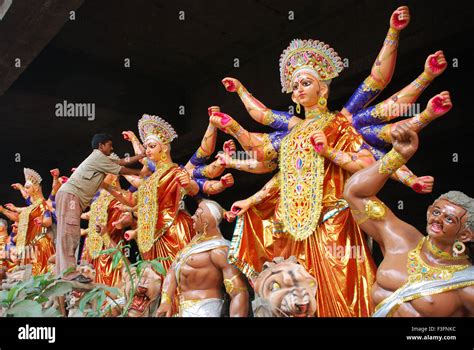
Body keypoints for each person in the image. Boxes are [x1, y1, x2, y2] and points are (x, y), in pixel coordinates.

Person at [344, 124, 474, 317]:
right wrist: (397, 156)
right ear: (429, 210)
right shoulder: (400, 239)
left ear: (465, 234)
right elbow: (355, 193)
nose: (437, 220)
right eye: (436, 212)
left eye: (449, 219)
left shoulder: (467, 284)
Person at [104, 115, 197, 271]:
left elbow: (193, 189)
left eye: (152, 146)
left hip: (173, 229)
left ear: (165, 148)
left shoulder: (174, 171)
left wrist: (189, 184)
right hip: (151, 236)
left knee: (179, 277)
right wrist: (107, 187)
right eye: (146, 147)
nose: (147, 151)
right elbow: (133, 200)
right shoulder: (150, 180)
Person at [55, 133, 144, 282]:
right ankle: (69, 274)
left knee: (68, 232)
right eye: (109, 145)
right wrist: (139, 172)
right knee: (69, 233)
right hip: (71, 196)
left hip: (71, 197)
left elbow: (122, 161)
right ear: (101, 146)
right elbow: (120, 169)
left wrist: (139, 155)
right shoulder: (99, 158)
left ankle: (63, 272)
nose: (112, 147)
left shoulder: (101, 159)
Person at [156, 199, 249, 317]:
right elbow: (173, 269)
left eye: (196, 214)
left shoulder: (219, 250)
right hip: (183, 309)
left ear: (206, 220)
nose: (192, 217)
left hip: (206, 310)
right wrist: (166, 300)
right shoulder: (191, 246)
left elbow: (239, 292)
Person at [0, 168, 55, 275]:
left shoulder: (41, 204)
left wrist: (41, 222)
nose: (25, 190)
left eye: (27, 187)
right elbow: (25, 202)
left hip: (40, 243)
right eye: (25, 187)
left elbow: (48, 221)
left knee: (41, 274)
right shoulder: (32, 206)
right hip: (30, 244)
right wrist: (6, 210)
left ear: (35, 189)